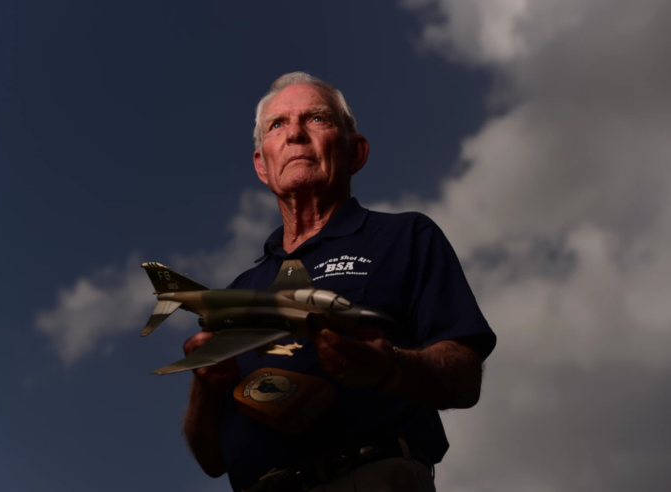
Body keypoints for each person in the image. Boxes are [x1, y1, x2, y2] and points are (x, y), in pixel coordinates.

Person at [182, 72, 496, 491]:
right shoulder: (238, 291)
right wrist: (204, 386)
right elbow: (210, 459)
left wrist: (392, 368)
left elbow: (465, 377)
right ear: (262, 164)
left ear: (356, 152)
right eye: (277, 125)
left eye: (316, 119)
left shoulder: (405, 237)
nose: (295, 133)